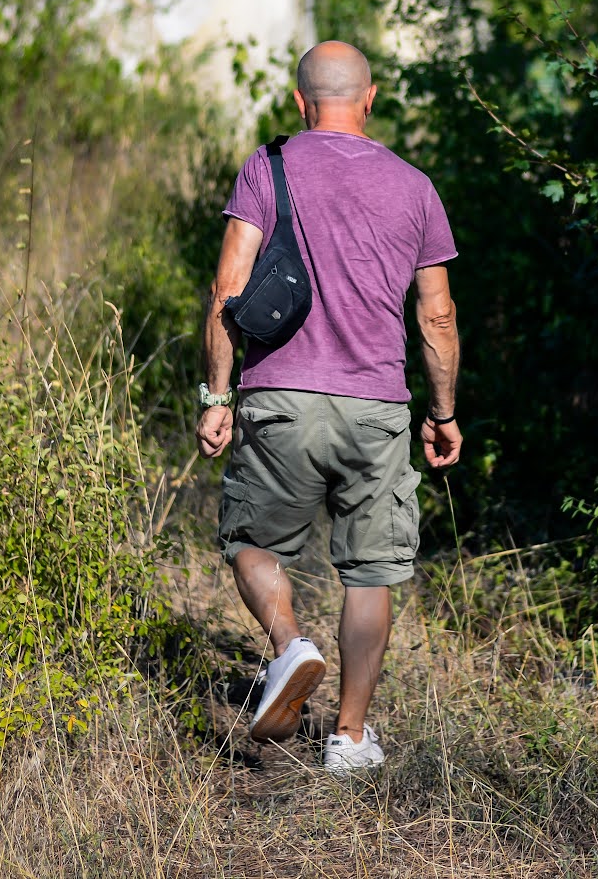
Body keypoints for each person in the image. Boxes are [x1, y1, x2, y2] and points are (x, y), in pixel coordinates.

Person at [196, 40, 461, 774]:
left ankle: (289, 646)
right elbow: (435, 317)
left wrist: (218, 394)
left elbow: (227, 286)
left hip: (279, 395)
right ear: (370, 97)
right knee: (370, 571)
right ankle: (348, 737)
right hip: (377, 406)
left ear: (298, 99)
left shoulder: (267, 165)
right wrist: (442, 412)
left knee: (250, 541)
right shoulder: (415, 186)